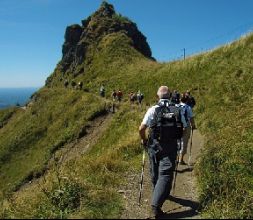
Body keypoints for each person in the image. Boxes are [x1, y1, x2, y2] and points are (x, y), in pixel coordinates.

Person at [139, 86, 187, 218]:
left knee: (155, 171)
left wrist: (143, 140)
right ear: (170, 95)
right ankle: (156, 204)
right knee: (165, 173)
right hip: (170, 146)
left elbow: (141, 128)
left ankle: (157, 192)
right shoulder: (178, 110)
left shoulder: (152, 109)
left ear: (157, 96)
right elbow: (184, 128)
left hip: (154, 145)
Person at [178, 93, 196, 165]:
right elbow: (191, 118)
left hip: (176, 126)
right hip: (186, 126)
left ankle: (175, 158)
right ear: (187, 100)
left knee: (177, 142)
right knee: (184, 142)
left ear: (180, 99)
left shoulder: (176, 106)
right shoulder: (188, 108)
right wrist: (193, 126)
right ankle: (181, 159)